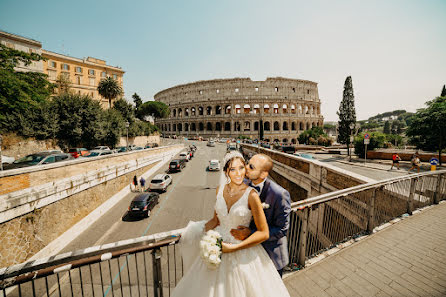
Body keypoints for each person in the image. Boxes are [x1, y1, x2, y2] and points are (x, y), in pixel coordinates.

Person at [171, 151, 290, 297]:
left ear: (263, 174)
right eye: (233, 169)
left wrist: (237, 245)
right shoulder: (221, 190)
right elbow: (216, 220)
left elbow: (272, 230)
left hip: (253, 251)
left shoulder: (259, 194)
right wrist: (197, 232)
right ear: (226, 171)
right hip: (221, 246)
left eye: (244, 167)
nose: (242, 171)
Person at [231, 153, 291, 277]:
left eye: (251, 167)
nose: (246, 167)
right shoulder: (243, 185)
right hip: (248, 255)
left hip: (271, 256)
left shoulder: (279, 194)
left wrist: (251, 233)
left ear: (263, 174)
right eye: (247, 163)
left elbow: (282, 229)